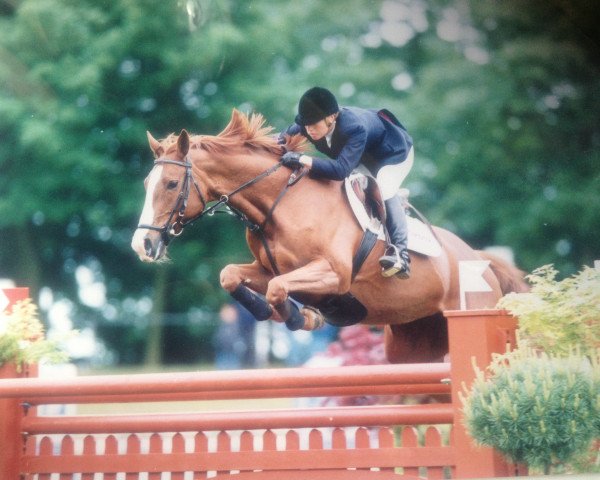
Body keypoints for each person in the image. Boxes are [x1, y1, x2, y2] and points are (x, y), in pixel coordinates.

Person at [279, 86, 414, 278]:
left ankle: (401, 254)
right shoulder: (306, 125)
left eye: (314, 124)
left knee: (383, 188)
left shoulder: (354, 127)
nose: (308, 130)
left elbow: (340, 171)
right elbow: (278, 141)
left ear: (331, 117)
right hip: (362, 159)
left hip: (394, 154)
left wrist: (302, 159)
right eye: (306, 125)